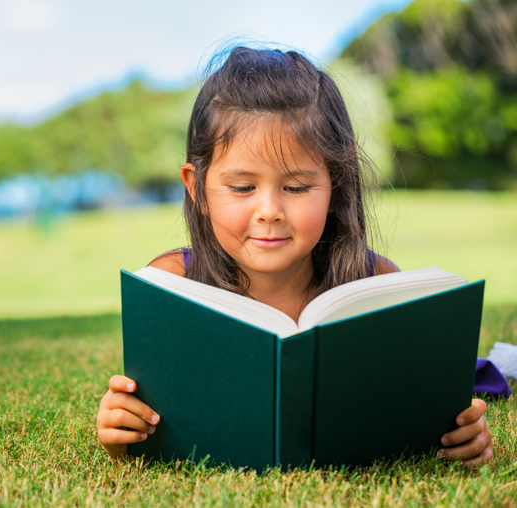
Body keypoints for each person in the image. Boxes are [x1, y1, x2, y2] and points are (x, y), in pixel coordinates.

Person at [96, 47, 493, 466]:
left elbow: (425, 410)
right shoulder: (172, 284)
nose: (269, 211)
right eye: (242, 188)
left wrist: (463, 433)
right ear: (197, 190)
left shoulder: (376, 282)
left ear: (337, 187)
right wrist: (120, 431)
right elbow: (142, 416)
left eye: (297, 188)